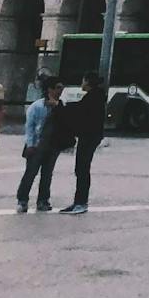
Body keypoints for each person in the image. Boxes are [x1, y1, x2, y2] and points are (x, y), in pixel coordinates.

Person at [57, 72, 107, 214]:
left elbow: (79, 110)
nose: (81, 84)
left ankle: (81, 202)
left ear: (88, 82)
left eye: (83, 81)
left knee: (82, 169)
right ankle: (78, 201)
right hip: (90, 136)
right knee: (81, 168)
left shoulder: (93, 97)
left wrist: (61, 106)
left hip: (89, 136)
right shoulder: (95, 96)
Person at [16, 79, 64, 213]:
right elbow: (29, 127)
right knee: (30, 173)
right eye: (58, 88)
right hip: (37, 145)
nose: (61, 91)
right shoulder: (37, 106)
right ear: (50, 89)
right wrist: (30, 144)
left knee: (47, 175)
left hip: (53, 145)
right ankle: (22, 200)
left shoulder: (60, 106)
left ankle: (43, 200)